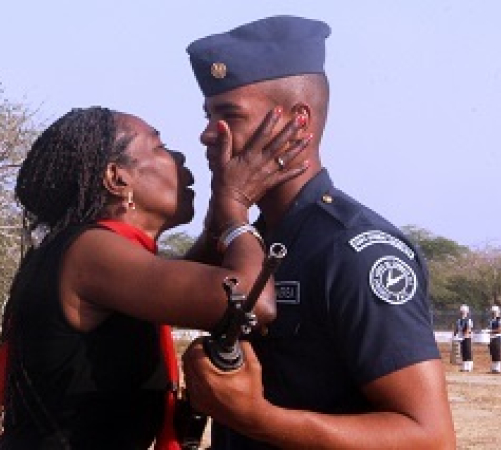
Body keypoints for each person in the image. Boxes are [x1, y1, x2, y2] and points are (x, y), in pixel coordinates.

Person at [180, 15, 455, 449]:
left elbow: (429, 438)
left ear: (298, 123)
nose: (208, 134)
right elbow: (167, 299)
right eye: (209, 116)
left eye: (229, 116)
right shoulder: (251, 240)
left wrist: (255, 418)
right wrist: (225, 215)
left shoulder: (353, 250)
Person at [0, 105, 310, 449]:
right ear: (118, 179)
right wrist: (235, 209)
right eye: (159, 147)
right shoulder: (92, 251)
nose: (178, 157)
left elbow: (184, 281)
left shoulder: (82, 249)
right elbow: (252, 301)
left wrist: (218, 213)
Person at [454, 304, 474, 372]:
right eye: (462, 311)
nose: (462, 313)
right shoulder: (459, 320)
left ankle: (469, 367)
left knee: (468, 351)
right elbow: (456, 328)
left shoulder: (469, 320)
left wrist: (464, 334)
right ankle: (464, 366)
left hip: (467, 337)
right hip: (461, 337)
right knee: (463, 351)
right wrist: (455, 335)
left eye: (464, 311)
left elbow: (469, 329)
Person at [488, 305, 500, 373]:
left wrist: (491, 331)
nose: (493, 313)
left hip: (498, 337)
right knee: (493, 353)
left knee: (497, 353)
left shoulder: (499, 320)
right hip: (492, 338)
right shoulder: (492, 320)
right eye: (492, 312)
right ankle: (494, 368)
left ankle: (498, 368)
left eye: (494, 312)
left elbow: (499, 329)